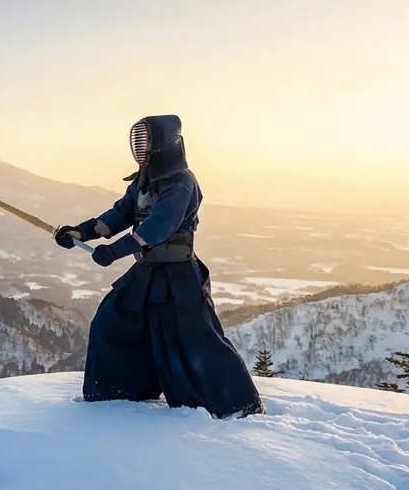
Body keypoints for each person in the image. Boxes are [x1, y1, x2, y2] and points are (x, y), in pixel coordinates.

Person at [55, 115, 264, 419]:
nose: (141, 148)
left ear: (164, 144)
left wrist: (114, 251)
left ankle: (233, 403)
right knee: (111, 322)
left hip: (178, 276)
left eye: (146, 141)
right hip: (147, 273)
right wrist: (81, 232)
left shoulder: (182, 183)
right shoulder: (143, 180)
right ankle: (119, 395)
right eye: (138, 141)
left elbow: (159, 226)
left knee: (195, 341)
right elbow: (119, 215)